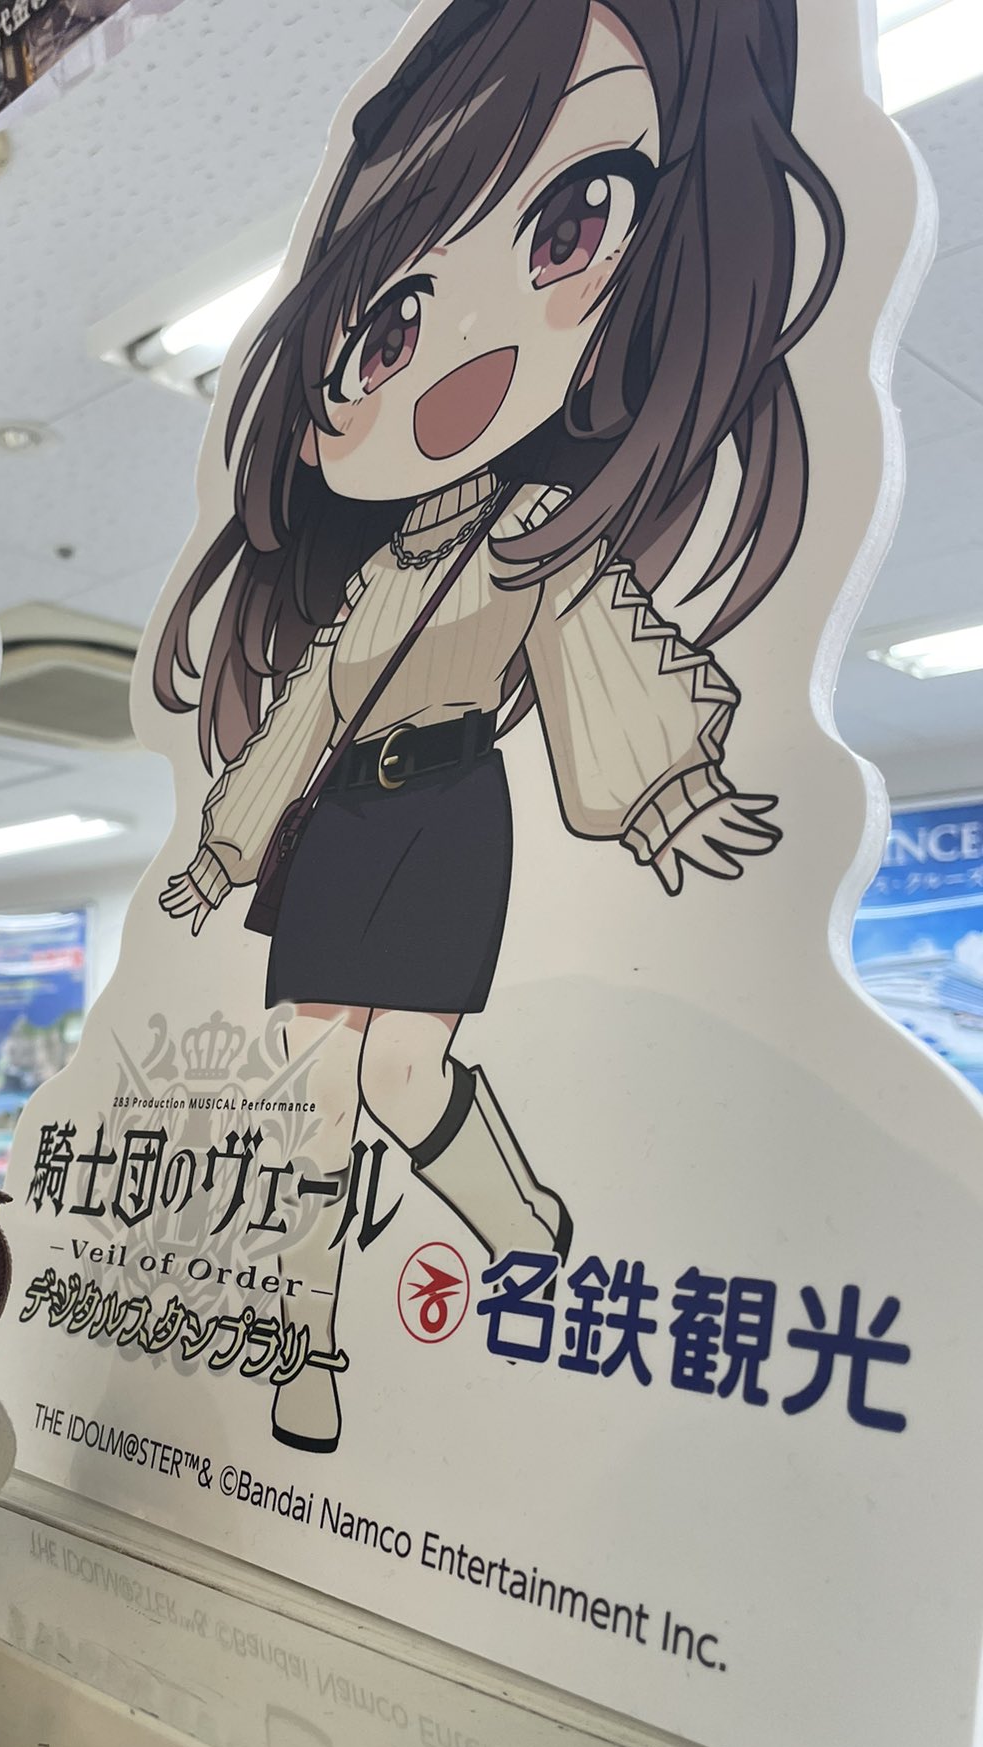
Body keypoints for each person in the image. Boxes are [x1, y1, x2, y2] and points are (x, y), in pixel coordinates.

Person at [155, 0, 843, 1453]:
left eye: (570, 224)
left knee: (399, 1074)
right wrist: (223, 849)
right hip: (346, 824)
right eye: (387, 331)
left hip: (451, 811)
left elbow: (596, 643)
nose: (456, 351)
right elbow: (304, 717)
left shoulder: (532, 533)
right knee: (316, 1093)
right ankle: (305, 1345)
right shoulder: (375, 577)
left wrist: (664, 789)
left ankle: (521, 1224)